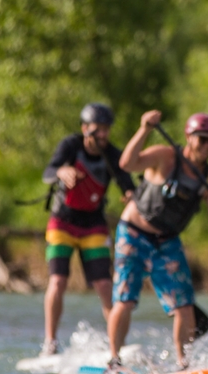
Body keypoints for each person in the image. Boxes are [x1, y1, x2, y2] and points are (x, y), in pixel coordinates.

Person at [108, 110, 208, 369]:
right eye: (203, 139)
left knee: (184, 305)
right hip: (133, 232)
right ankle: (114, 359)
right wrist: (144, 129)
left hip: (167, 242)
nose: (207, 147)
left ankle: (183, 364)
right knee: (125, 299)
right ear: (189, 137)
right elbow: (127, 164)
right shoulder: (165, 157)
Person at [41, 103, 137, 356]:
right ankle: (50, 343)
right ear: (85, 129)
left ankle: (118, 347)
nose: (103, 135)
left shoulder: (113, 155)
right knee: (58, 281)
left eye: (106, 130)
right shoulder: (71, 146)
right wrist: (63, 171)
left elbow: (127, 184)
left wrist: (130, 195)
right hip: (62, 222)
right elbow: (48, 172)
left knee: (105, 285)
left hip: (93, 225)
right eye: (97, 130)